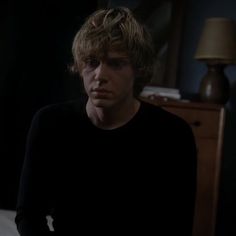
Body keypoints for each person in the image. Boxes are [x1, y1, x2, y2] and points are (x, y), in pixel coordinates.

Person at [15, 7, 197, 236]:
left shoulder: (172, 135)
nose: (100, 75)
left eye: (116, 63)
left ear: (137, 70)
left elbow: (177, 225)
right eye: (91, 62)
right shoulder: (51, 123)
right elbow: (29, 214)